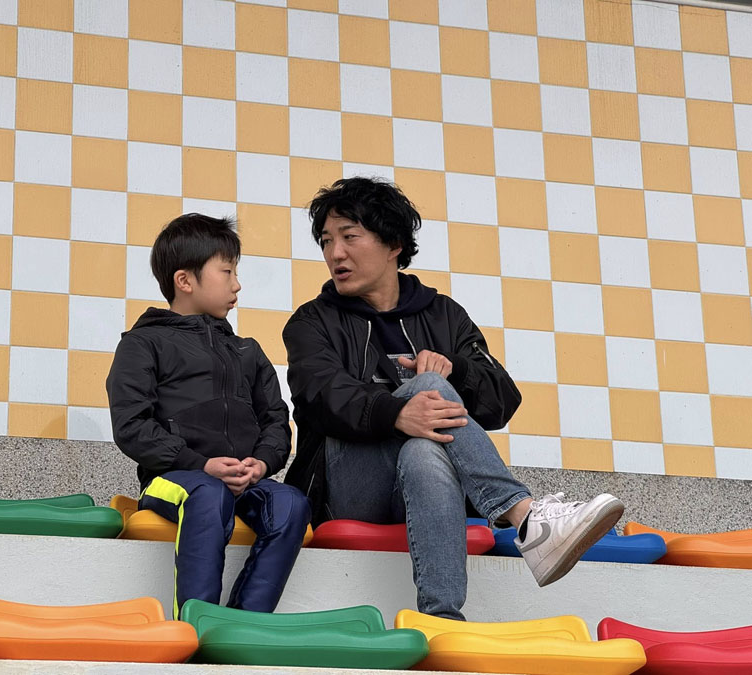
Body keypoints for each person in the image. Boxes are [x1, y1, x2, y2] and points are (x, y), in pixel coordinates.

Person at [282, 177, 624, 620]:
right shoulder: (311, 322)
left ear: (393, 244)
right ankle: (525, 515)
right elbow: (322, 396)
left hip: (428, 487)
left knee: (425, 450)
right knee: (426, 387)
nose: (335, 254)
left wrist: (456, 368)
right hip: (348, 487)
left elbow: (501, 400)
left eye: (349, 237)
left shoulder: (443, 314)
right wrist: (398, 412)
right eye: (327, 241)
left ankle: (442, 617)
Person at [107, 213, 310, 619]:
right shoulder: (143, 343)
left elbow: (276, 419)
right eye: (227, 271)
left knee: (291, 503)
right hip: (175, 480)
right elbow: (132, 426)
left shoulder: (247, 351)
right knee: (207, 493)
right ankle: (195, 623)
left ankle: (244, 622)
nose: (237, 285)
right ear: (185, 281)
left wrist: (261, 463)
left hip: (243, 482)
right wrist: (200, 465)